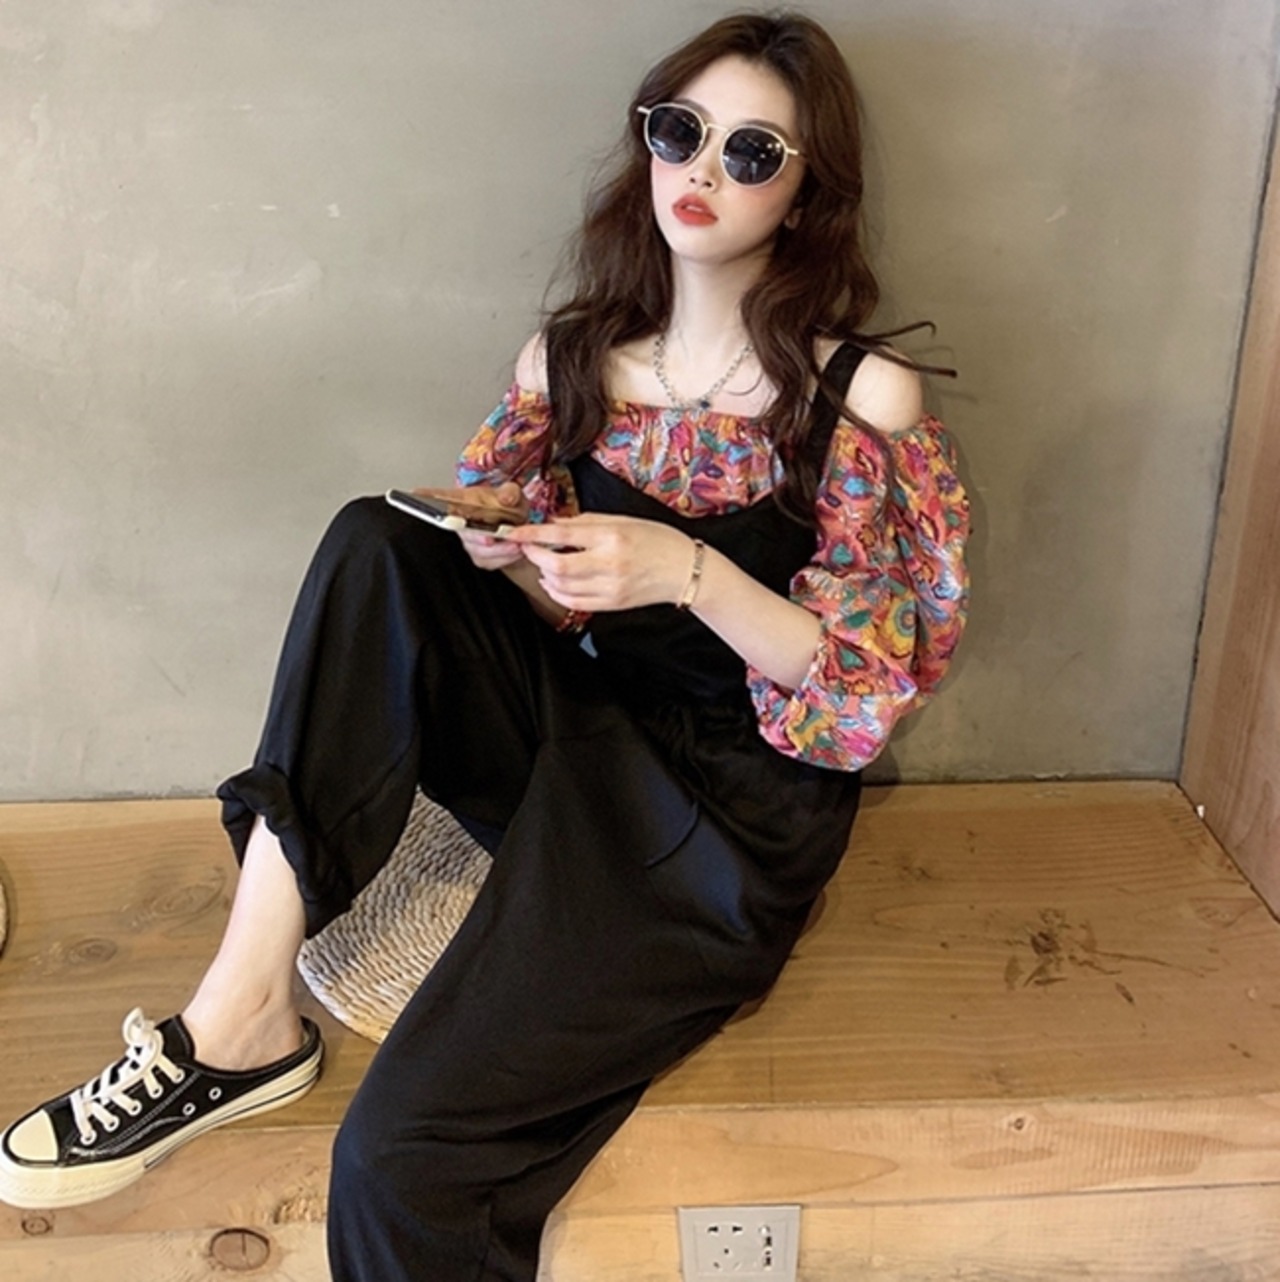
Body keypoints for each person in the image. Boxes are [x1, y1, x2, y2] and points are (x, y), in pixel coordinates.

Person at [0, 11, 969, 1280]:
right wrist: (518, 563)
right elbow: (538, 592)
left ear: (804, 192)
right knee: (378, 538)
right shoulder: (574, 360)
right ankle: (240, 1016)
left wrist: (685, 571)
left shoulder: (856, 396)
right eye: (679, 131)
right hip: (580, 742)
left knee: (399, 1160)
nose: (700, 169)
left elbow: (860, 693)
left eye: (749, 151)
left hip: (730, 817)